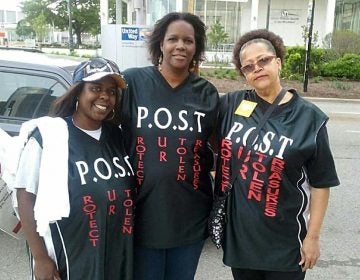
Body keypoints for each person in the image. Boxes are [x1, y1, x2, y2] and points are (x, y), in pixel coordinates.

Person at [213, 29, 340, 280]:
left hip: (285, 244)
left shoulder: (309, 119)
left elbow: (322, 184)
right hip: (242, 240)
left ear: (278, 62)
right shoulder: (231, 105)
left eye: (263, 60)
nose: (257, 68)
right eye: (248, 66)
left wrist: (312, 238)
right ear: (244, 74)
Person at [14, 57, 135, 280]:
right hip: (70, 257)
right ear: (78, 92)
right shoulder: (49, 137)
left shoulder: (117, 137)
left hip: (116, 255)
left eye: (111, 91)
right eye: (95, 88)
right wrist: (41, 258)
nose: (105, 97)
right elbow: (25, 196)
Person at [120, 12, 219, 280]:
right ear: (160, 44)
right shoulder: (132, 83)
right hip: (140, 213)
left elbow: (221, 147)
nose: (180, 46)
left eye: (188, 40)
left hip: (189, 216)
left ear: (196, 47)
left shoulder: (206, 93)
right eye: (172, 39)